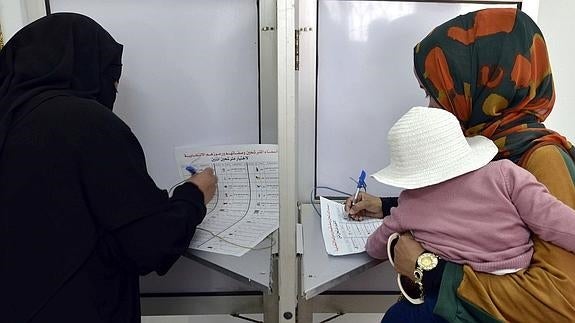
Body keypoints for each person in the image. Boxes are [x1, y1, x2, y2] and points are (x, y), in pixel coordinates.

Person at [346, 8, 575, 322]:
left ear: (478, 85)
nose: (431, 107)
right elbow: (471, 203)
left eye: (435, 93)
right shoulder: (484, 144)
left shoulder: (542, 157)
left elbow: (560, 303)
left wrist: (431, 268)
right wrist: (387, 206)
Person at [0, 13, 217, 323]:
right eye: (111, 71)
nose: (114, 84)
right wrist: (194, 194)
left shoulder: (11, 120)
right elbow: (149, 243)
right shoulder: (86, 123)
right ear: (88, 65)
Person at [364, 106, 575, 321]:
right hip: (517, 281)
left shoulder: (409, 204)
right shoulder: (505, 173)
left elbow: (375, 247)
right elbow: (554, 220)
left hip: (463, 295)